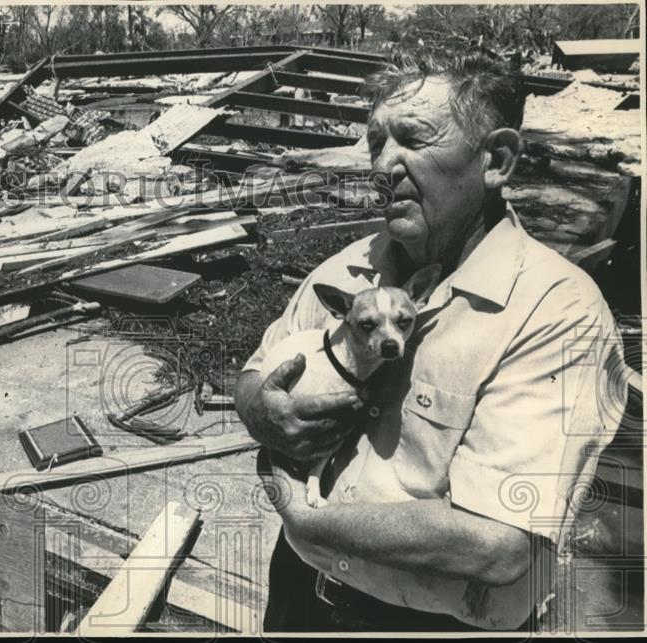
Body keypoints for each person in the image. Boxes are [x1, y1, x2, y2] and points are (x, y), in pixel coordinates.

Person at [234, 51, 628, 632]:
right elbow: (253, 373)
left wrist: (312, 520)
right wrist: (262, 412)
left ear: (495, 160)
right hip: (299, 591)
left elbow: (497, 543)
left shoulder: (556, 313)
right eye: (376, 144)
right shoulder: (348, 272)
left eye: (413, 139)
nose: (383, 164)